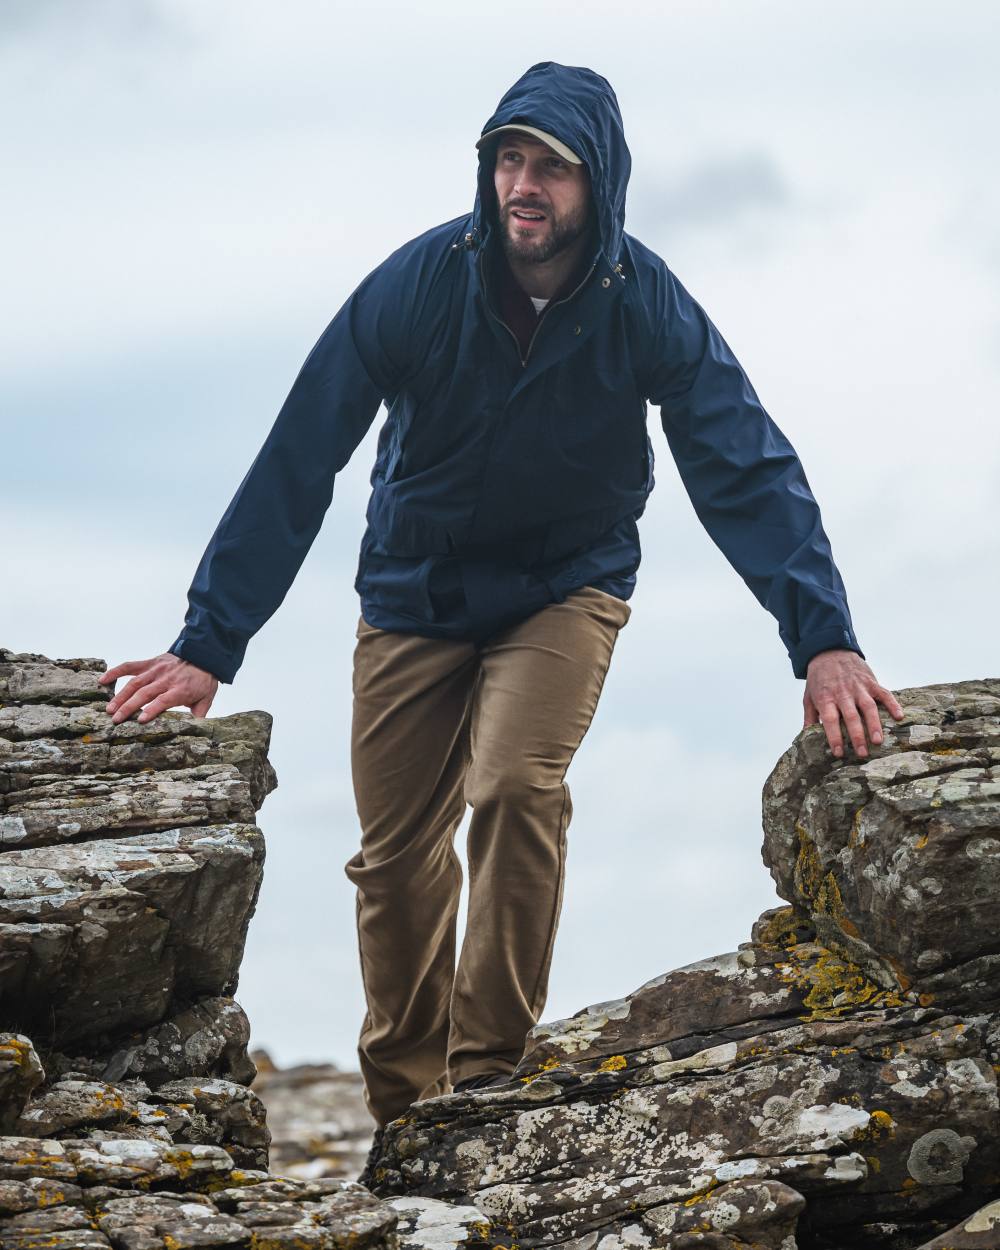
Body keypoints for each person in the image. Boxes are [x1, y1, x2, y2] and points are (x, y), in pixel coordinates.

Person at [98, 62, 904, 1131]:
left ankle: (484, 1086)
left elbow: (742, 461)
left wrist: (823, 639)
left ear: (598, 184)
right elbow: (301, 453)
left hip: (563, 588)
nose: (523, 185)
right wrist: (209, 641)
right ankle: (402, 1112)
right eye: (508, 160)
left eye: (551, 167)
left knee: (515, 786)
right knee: (393, 864)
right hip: (412, 591)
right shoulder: (419, 283)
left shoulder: (642, 300)